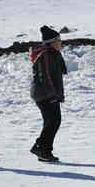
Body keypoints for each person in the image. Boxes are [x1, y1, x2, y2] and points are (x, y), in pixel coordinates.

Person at [29, 25, 67, 162]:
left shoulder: (53, 54)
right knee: (53, 121)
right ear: (51, 42)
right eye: (58, 40)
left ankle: (44, 151)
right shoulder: (45, 55)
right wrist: (52, 95)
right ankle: (40, 147)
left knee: (52, 121)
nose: (60, 43)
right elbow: (45, 77)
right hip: (44, 94)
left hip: (47, 93)